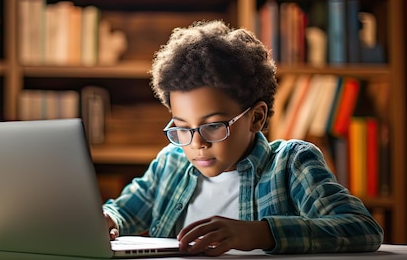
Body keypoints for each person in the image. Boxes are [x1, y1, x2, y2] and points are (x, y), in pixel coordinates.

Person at [102, 20, 383, 256]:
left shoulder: (290, 164)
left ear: (256, 118)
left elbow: (362, 228)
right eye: (182, 128)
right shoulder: (171, 163)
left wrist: (262, 233)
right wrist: (108, 219)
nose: (196, 143)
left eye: (213, 126)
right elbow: (122, 210)